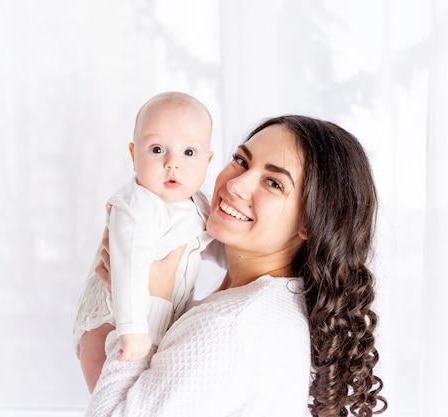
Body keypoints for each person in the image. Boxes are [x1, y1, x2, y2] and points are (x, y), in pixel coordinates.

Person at [86, 115, 387, 417]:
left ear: (309, 222)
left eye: (273, 183)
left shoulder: (230, 325)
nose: (236, 184)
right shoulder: (271, 303)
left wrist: (148, 303)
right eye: (242, 161)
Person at [73, 92, 225, 393]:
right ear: (133, 155)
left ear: (208, 160)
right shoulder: (136, 207)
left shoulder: (198, 206)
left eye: (189, 153)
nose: (172, 163)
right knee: (114, 397)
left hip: (156, 319)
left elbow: (219, 247)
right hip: (109, 322)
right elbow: (129, 267)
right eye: (157, 149)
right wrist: (131, 329)